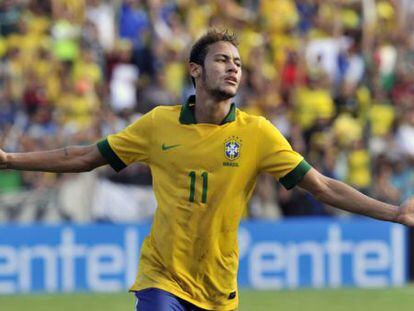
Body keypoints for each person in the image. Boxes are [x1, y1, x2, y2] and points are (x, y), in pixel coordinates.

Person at [1, 29, 414, 311]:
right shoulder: (157, 123)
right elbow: (84, 156)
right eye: (222, 59)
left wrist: (393, 212)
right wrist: (9, 160)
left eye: (237, 62)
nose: (234, 67)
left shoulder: (258, 134)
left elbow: (322, 187)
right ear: (195, 69)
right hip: (162, 278)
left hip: (219, 288)